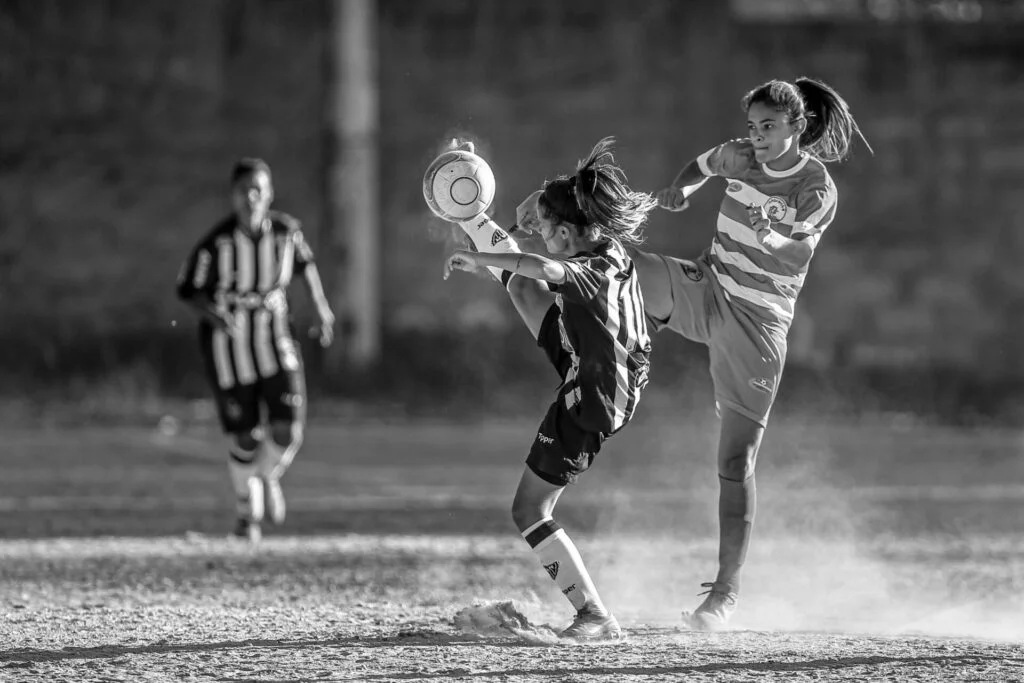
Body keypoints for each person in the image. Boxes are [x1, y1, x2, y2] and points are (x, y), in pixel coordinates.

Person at [630, 77, 870, 630]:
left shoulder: (815, 186)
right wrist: (681, 189)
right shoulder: (739, 158)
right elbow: (700, 165)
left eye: (769, 127)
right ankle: (609, 345)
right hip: (709, 286)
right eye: (753, 127)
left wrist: (770, 237)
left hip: (758, 324)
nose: (757, 138)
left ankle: (724, 596)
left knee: (735, 464)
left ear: (797, 126)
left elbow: (797, 252)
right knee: (625, 266)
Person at [444, 137, 657, 641]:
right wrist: (476, 205)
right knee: (519, 288)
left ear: (566, 233)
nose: (537, 233)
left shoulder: (586, 273)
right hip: (604, 356)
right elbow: (537, 241)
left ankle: (594, 615)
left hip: (597, 392)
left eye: (545, 229)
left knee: (529, 510)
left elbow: (545, 268)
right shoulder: (603, 240)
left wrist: (481, 259)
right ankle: (593, 614)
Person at [176, 158, 335, 542]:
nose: (251, 197)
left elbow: (306, 267)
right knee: (244, 436)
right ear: (233, 196)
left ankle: (266, 476)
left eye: (258, 190)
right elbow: (188, 290)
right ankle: (247, 516)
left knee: (288, 430)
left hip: (277, 339)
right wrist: (213, 314)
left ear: (269, 194)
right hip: (229, 348)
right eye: (243, 190)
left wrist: (321, 309)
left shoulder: (286, 232)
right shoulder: (216, 244)